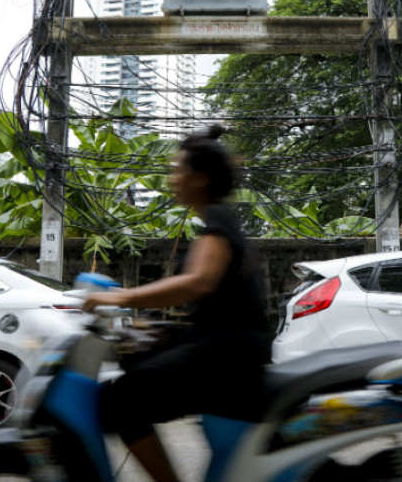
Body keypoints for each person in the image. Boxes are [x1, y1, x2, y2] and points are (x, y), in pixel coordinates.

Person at [83, 124, 271, 482]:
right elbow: (214, 300)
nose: (172, 179)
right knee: (135, 366)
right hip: (225, 351)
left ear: (200, 178)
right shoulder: (217, 220)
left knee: (119, 401)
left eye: (178, 170)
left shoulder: (217, 220)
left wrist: (122, 297)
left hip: (227, 359)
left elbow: (198, 282)